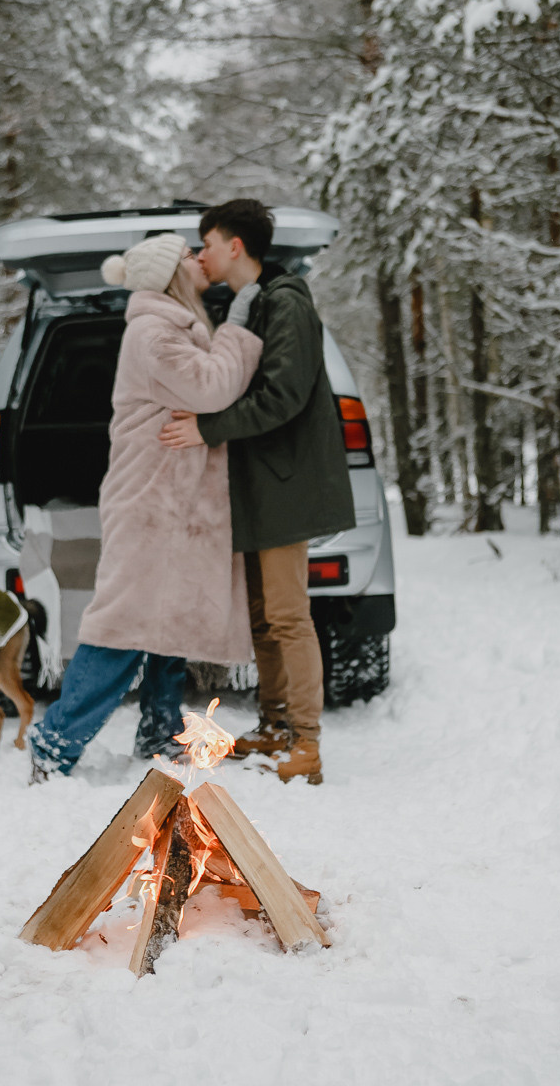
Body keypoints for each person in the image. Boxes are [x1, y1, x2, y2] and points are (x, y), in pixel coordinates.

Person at [29, 232, 263, 777]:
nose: (198, 258)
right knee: (122, 626)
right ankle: (55, 740)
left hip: (170, 503)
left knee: (168, 619)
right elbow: (210, 388)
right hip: (150, 502)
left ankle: (159, 730)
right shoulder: (155, 333)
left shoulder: (171, 326)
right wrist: (237, 330)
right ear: (170, 274)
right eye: (188, 254)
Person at [159, 199, 355, 784]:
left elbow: (282, 398)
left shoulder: (286, 303)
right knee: (265, 617)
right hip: (260, 486)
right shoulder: (253, 305)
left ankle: (308, 746)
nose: (202, 256)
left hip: (287, 484)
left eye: (207, 245)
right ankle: (274, 725)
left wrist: (205, 427)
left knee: (290, 618)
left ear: (235, 246)